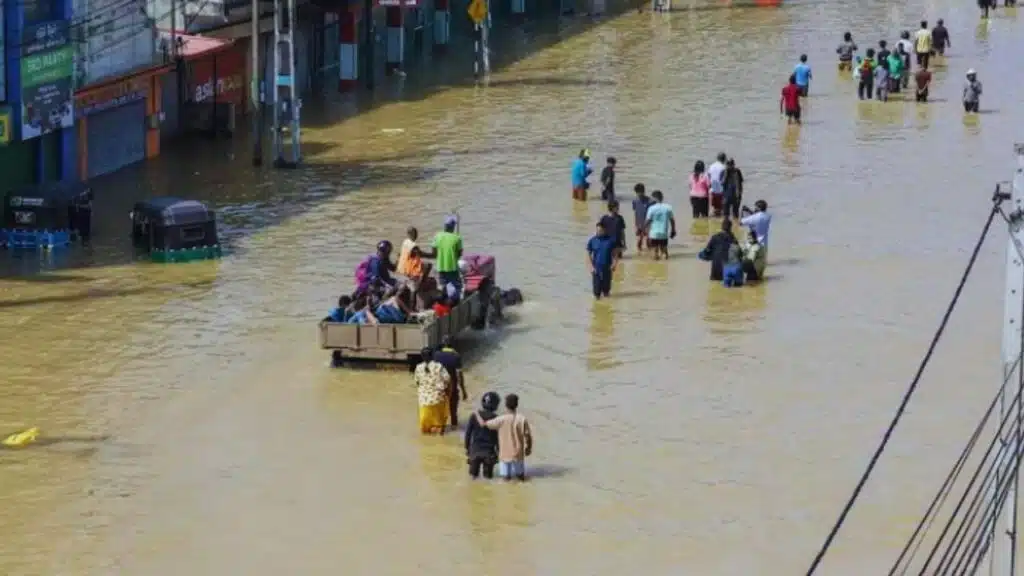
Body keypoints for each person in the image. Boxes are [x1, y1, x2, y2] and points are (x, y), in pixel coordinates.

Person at [481, 393, 533, 482]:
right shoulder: (522, 419)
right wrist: (528, 448)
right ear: (517, 405)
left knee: (505, 479)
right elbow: (528, 436)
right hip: (518, 454)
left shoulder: (500, 419)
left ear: (506, 405)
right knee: (521, 478)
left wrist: (477, 415)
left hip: (504, 455)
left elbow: (485, 424)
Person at [413, 347, 451, 435]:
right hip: (438, 399)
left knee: (425, 431)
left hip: (424, 401)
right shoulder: (439, 366)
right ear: (432, 356)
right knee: (439, 427)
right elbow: (448, 379)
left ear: (422, 357)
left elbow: (417, 382)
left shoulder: (418, 368)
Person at [464, 392, 501, 479]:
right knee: (488, 479)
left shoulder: (474, 416)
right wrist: (499, 452)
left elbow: (468, 434)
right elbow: (498, 438)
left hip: (475, 451)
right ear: (496, 405)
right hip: (489, 452)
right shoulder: (497, 418)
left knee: (472, 478)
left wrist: (467, 449)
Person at [433, 338, 467, 429]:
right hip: (453, 388)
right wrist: (464, 391)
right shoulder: (456, 356)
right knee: (453, 413)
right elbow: (459, 376)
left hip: (440, 388)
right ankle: (454, 430)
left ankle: (441, 434)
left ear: (443, 344)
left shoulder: (436, 355)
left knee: (440, 413)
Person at [423, 216, 463, 292]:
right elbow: (459, 254)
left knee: (444, 288)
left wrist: (423, 254)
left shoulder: (437, 236)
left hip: (441, 269)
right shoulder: (457, 238)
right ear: (453, 227)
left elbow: (434, 254)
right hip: (453, 269)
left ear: (445, 226)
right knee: (457, 288)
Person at [586, 220, 619, 299]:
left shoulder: (611, 241)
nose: (598, 232)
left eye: (600, 230)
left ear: (605, 230)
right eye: (597, 230)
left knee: (606, 292)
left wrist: (614, 264)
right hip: (596, 270)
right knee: (596, 293)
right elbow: (588, 254)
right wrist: (591, 267)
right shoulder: (592, 241)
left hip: (607, 269)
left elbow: (615, 254)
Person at [645, 190, 677, 261]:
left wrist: (644, 231)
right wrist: (673, 230)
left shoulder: (651, 208)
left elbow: (648, 221)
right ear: (662, 197)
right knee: (664, 252)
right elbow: (672, 220)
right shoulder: (668, 207)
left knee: (655, 252)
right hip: (664, 233)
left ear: (655, 198)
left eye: (652, 198)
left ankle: (656, 268)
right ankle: (665, 266)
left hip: (654, 234)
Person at [631, 183, 653, 252]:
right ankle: (639, 254)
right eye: (637, 193)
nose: (638, 194)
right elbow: (635, 212)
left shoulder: (650, 201)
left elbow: (652, 214)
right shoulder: (635, 201)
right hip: (639, 224)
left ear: (643, 191)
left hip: (648, 224)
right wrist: (636, 225)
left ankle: (649, 255)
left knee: (648, 242)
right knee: (639, 241)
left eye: (639, 192)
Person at [707, 152, 727, 217]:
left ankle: (714, 221)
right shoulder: (723, 167)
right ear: (724, 159)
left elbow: (708, 177)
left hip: (712, 191)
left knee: (715, 208)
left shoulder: (711, 166)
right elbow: (723, 180)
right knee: (721, 209)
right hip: (720, 191)